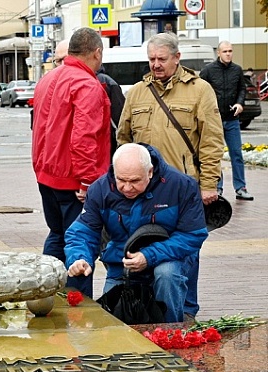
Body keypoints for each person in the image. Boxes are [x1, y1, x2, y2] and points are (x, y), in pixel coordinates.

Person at [117, 32, 224, 319]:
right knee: (146, 244)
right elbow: (123, 138)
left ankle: (186, 312)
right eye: (151, 59)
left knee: (186, 249)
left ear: (177, 58)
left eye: (161, 59)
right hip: (145, 189)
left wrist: (209, 183)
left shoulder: (200, 90)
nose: (155, 64)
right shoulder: (138, 92)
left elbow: (213, 140)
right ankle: (158, 308)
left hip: (185, 189)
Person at [65, 143, 208, 322]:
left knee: (166, 274)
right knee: (112, 321)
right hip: (122, 264)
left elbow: (192, 235)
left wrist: (149, 256)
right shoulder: (100, 189)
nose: (126, 188)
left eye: (134, 181)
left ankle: (170, 330)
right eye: (121, 180)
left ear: (150, 172)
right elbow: (83, 232)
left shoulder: (182, 185)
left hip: (169, 258)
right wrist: (80, 258)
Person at [31, 27, 111, 298]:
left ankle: (45, 294)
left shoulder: (49, 79)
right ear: (97, 53)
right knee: (81, 242)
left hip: (47, 175)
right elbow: (84, 138)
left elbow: (40, 128)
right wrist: (88, 181)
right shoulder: (87, 85)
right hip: (73, 180)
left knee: (57, 235)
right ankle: (77, 304)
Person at [200, 41, 254, 201]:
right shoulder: (208, 71)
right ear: (218, 52)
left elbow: (242, 89)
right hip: (213, 120)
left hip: (232, 119)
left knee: (236, 153)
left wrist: (240, 103)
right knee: (215, 155)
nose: (228, 54)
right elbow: (199, 91)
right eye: (225, 51)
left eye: (230, 51)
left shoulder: (237, 70)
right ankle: (217, 188)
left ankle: (241, 188)